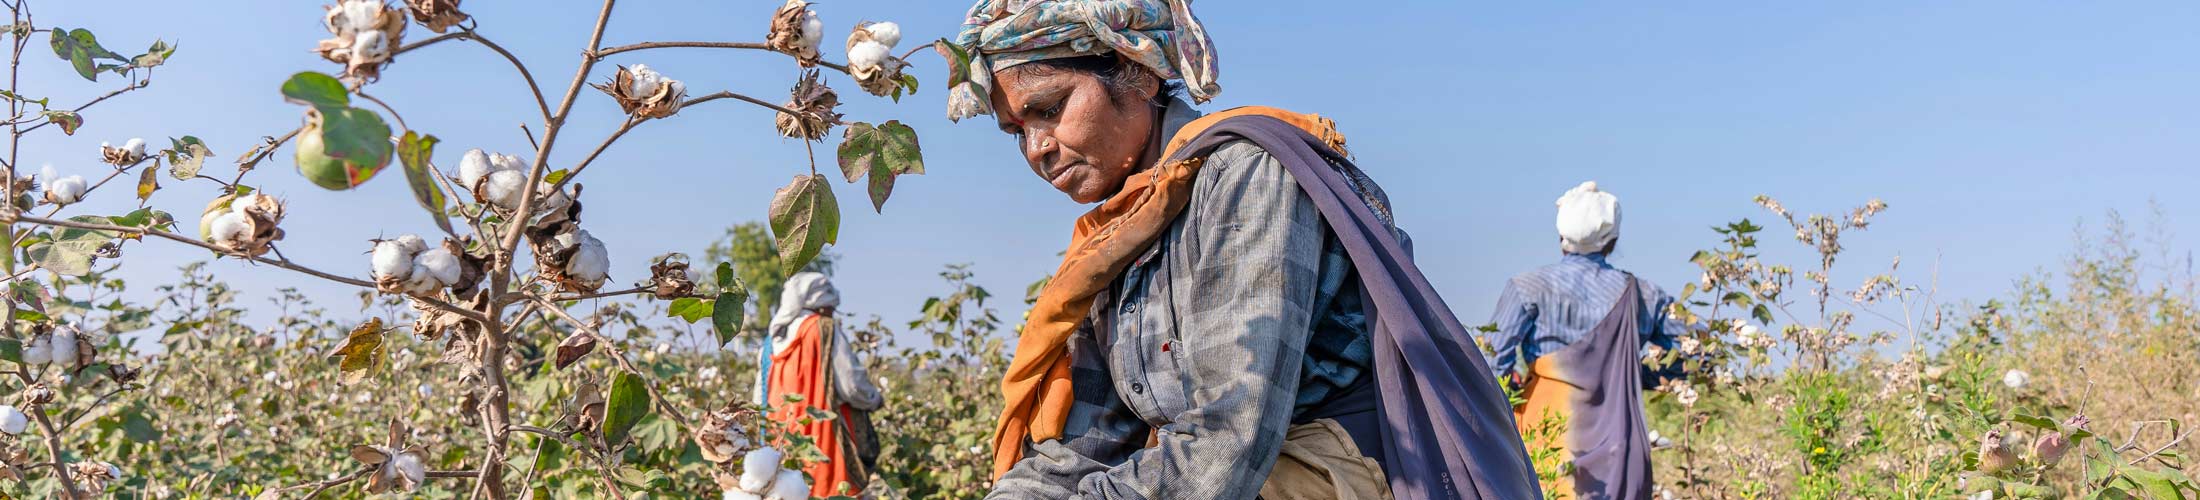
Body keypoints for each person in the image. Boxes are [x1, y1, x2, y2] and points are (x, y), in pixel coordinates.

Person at [945, 1, 1540, 498]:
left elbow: (1226, 444)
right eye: (1016, 132)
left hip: (1331, 473)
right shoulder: (1121, 239)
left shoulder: (1245, 175)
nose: (1037, 149)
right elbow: (1087, 447)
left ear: (1139, 73)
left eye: (1048, 110)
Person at [1482, 181, 1685, 500]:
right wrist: (1632, 375)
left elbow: (1492, 366)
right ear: (1613, 240)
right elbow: (1695, 355)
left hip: (1549, 433)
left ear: (1561, 236)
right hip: (1622, 446)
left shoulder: (1528, 288)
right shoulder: (1645, 295)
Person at [760, 272, 884, 498]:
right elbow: (852, 386)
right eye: (830, 307)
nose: (832, 312)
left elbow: (759, 397)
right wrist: (874, 399)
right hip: (823, 443)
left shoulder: (770, 342)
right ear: (821, 306)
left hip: (780, 442)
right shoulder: (823, 328)